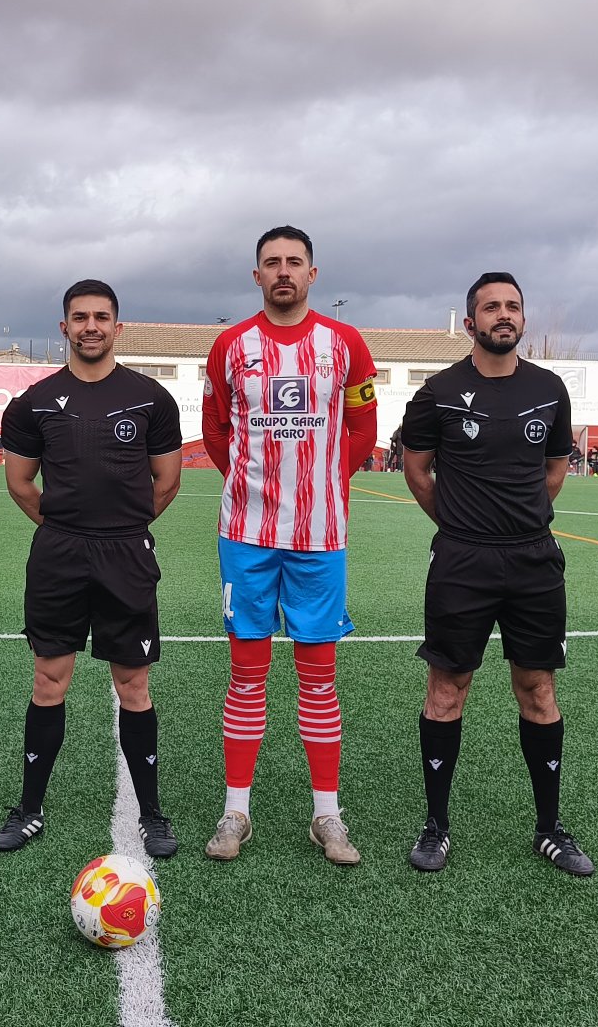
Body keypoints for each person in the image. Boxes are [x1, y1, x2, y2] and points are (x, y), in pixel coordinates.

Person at [401, 271, 594, 877]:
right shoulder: (437, 392)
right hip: (462, 561)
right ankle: (436, 827)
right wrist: (460, 524)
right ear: (470, 322)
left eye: (512, 306)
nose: (503, 315)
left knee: (537, 689)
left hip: (534, 561)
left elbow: (555, 468)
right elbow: (417, 469)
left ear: (523, 319)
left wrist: (522, 520)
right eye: (490, 307)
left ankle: (550, 829)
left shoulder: (548, 389)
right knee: (447, 689)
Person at [201, 225, 378, 865]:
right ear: (257, 276)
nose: (283, 271)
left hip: (320, 537)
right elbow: (216, 432)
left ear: (312, 274)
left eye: (294, 262)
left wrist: (320, 485)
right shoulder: (230, 345)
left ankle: (327, 816)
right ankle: (236, 812)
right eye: (271, 262)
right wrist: (259, 485)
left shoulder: (345, 344)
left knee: (319, 679)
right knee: (247, 676)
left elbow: (363, 430)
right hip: (246, 536)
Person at [0, 279, 184, 859]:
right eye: (80, 317)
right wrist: (64, 529)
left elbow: (167, 481)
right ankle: (29, 808)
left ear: (117, 327)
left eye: (101, 317)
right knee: (49, 680)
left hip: (126, 554)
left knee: (134, 684)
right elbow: (20, 483)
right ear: (64, 327)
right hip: (60, 556)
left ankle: (151, 813)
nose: (90, 326)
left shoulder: (151, 398)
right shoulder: (35, 402)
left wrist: (121, 527)